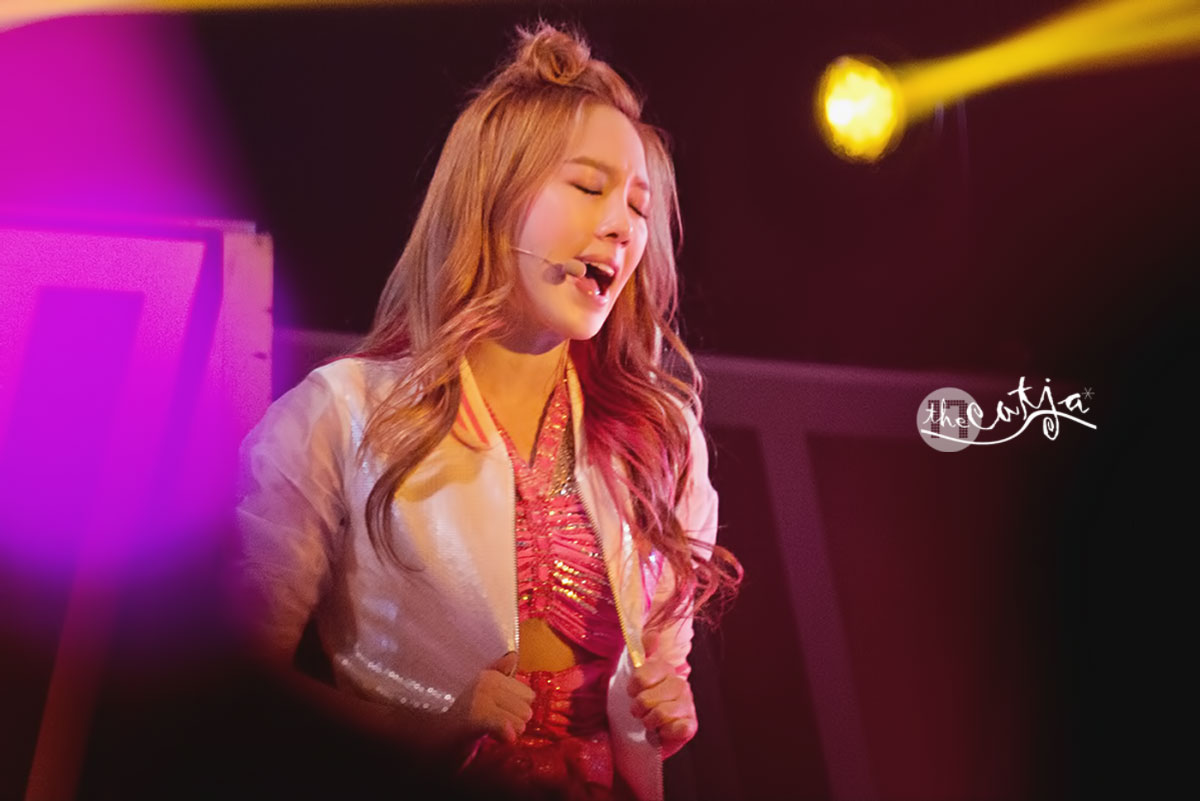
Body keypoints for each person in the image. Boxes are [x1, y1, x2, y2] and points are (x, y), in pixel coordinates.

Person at [234, 22, 739, 801]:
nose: (622, 226)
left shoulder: (658, 442)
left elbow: (661, 671)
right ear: (497, 195)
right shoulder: (340, 415)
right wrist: (431, 729)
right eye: (589, 186)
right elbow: (242, 682)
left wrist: (666, 706)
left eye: (639, 206)